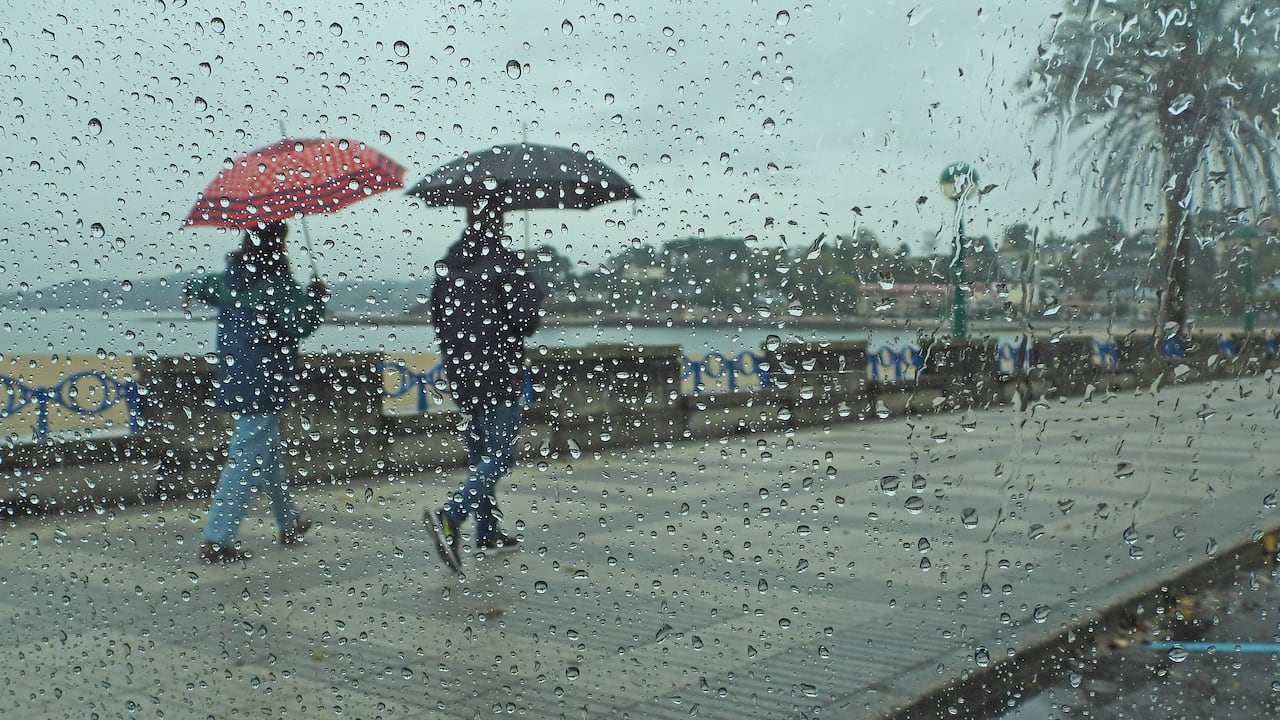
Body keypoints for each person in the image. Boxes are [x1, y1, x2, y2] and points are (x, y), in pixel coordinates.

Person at [186, 220, 327, 563]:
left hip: (233, 375)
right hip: (266, 380)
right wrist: (316, 298)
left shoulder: (229, 278)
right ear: (278, 244)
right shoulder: (278, 286)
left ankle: (288, 521)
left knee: (267, 451)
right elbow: (301, 324)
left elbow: (199, 285)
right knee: (247, 455)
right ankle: (218, 538)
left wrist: (191, 291)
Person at [426, 203, 544, 573]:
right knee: (501, 456)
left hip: (463, 375)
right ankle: (451, 516)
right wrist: (532, 285)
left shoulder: (450, 263)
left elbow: (438, 318)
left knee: (481, 457)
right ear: (502, 223)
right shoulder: (506, 264)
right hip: (501, 374)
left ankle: (488, 532)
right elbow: (525, 321)